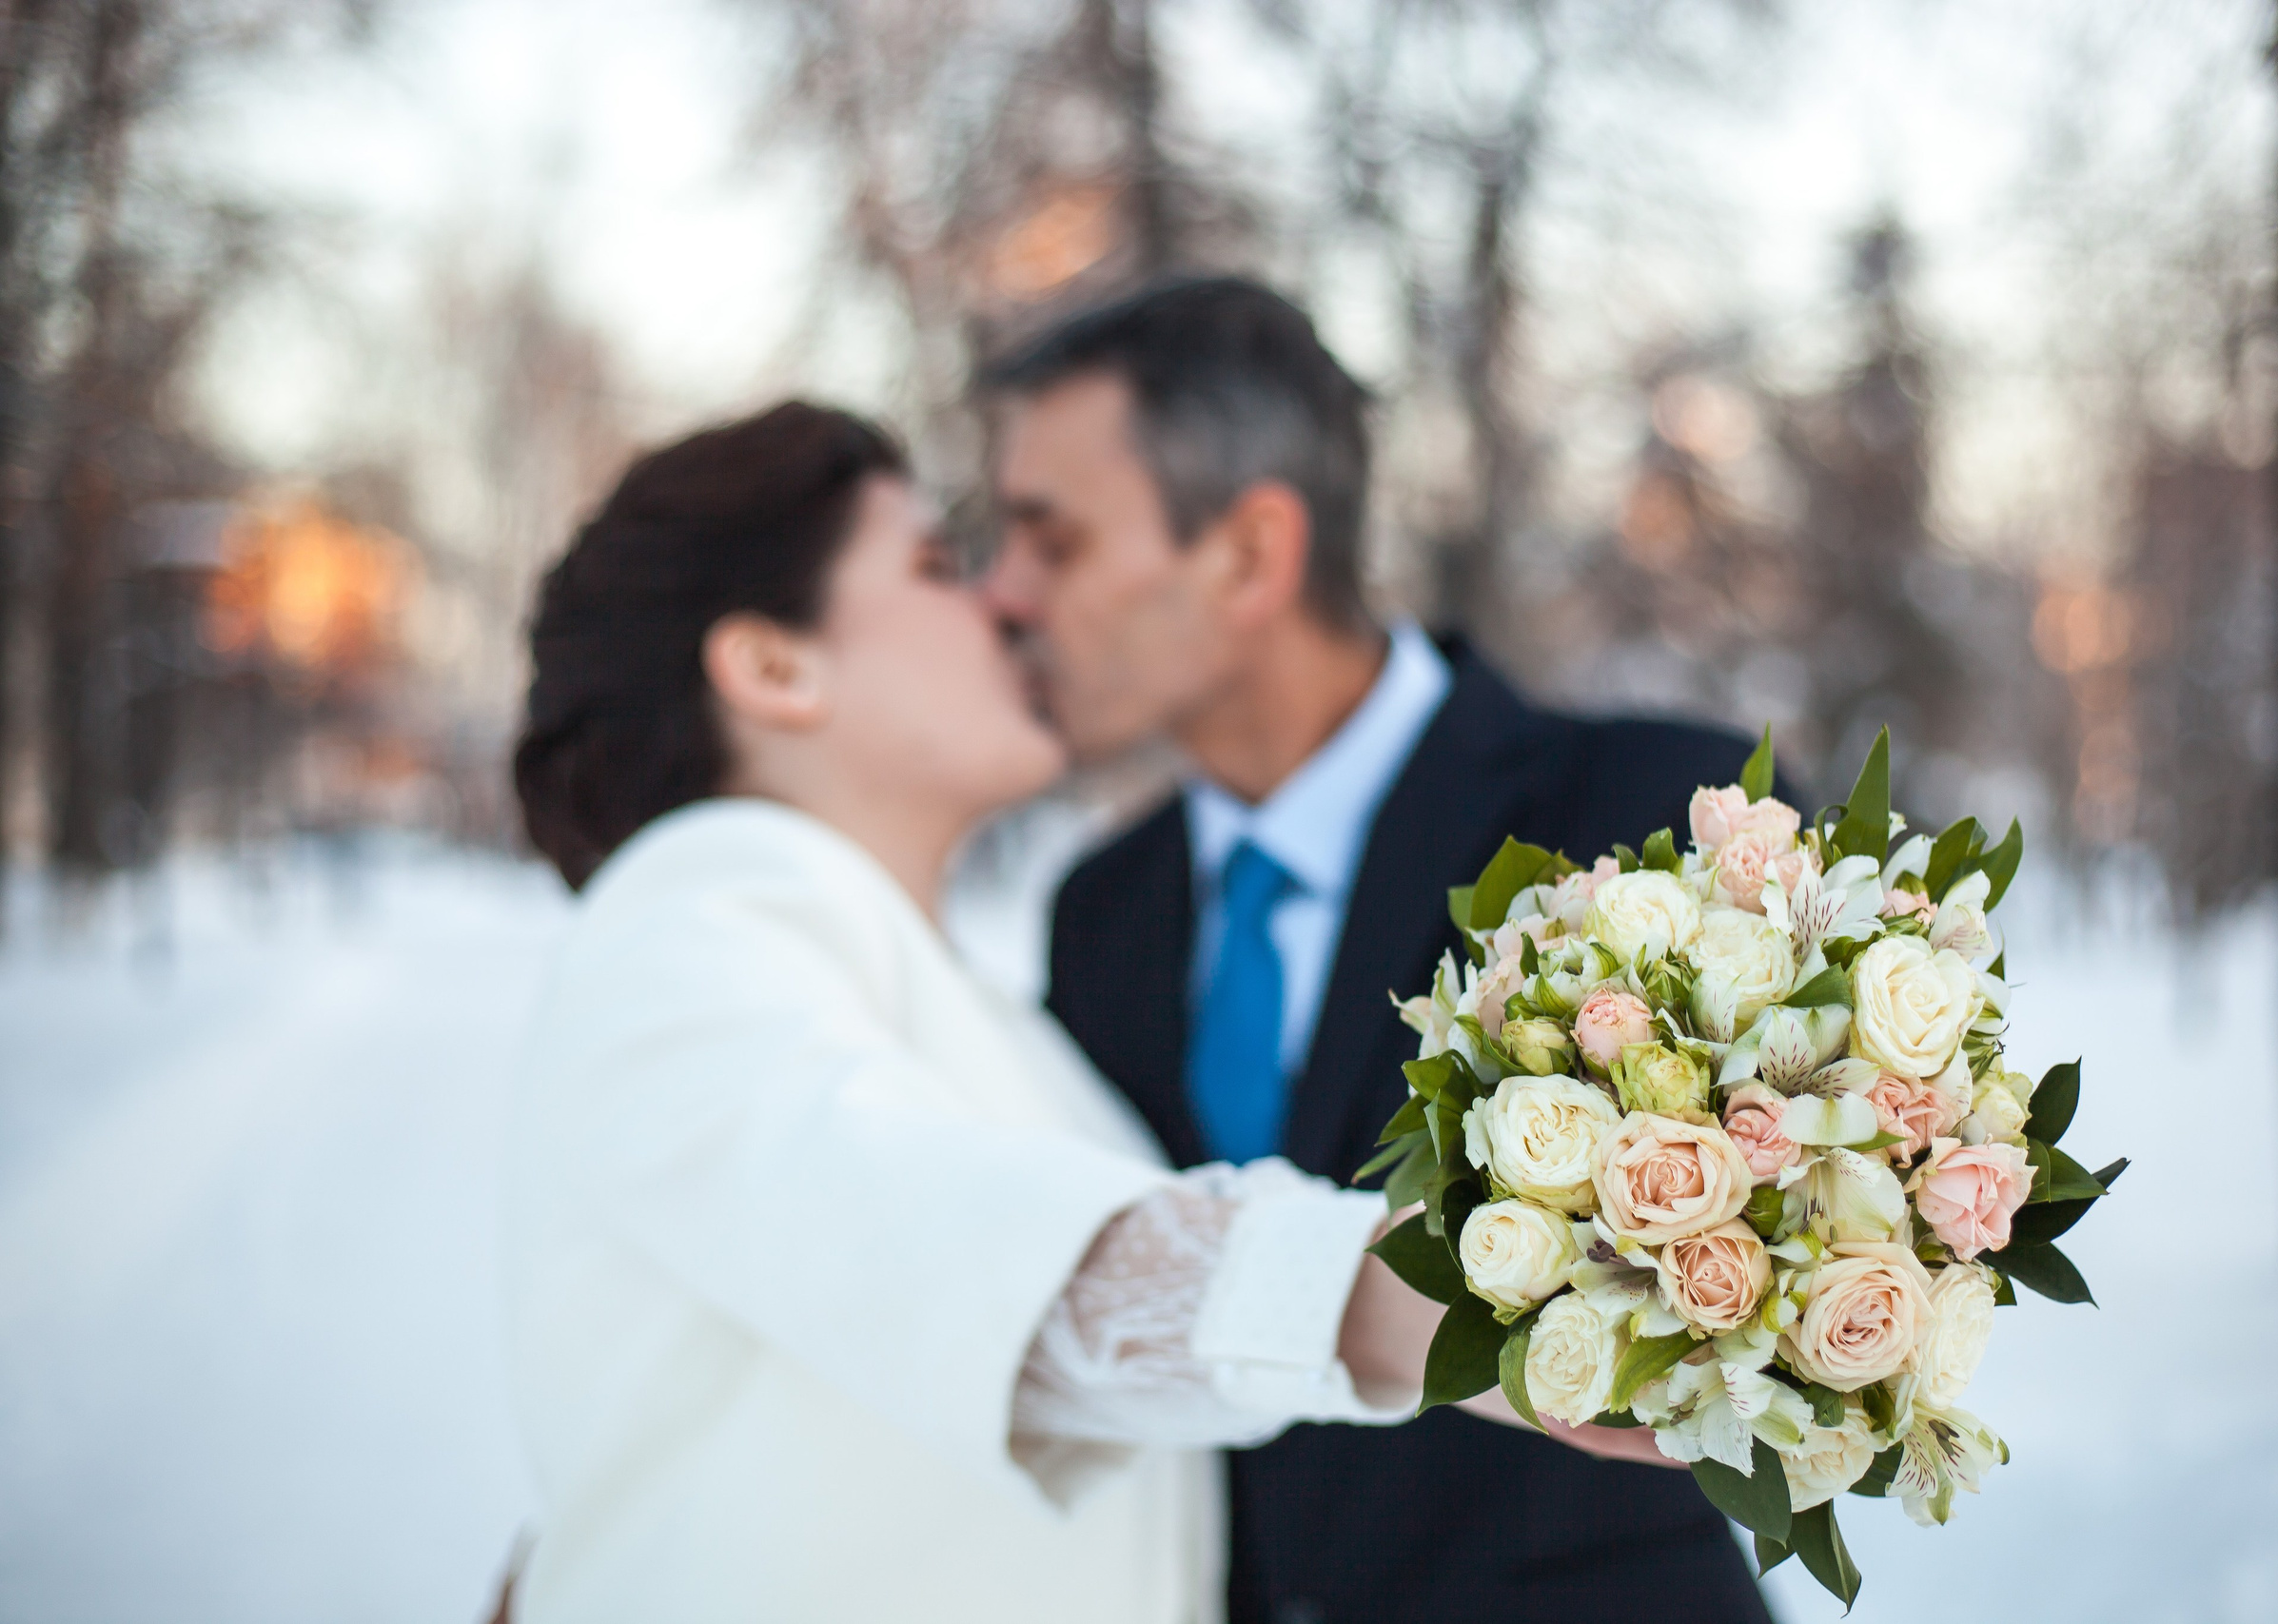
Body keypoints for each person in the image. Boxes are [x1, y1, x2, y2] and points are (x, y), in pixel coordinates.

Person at [499, 401, 1634, 1624]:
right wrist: (1409, 1295)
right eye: (937, 566)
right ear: (776, 667)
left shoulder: (993, 1007)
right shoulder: (690, 908)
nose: (1004, 603)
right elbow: (922, 1229)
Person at [982, 276, 1777, 1624]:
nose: (1004, 592)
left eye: (1052, 541)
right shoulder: (1098, 912)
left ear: (1249, 554)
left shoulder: (1656, 822)